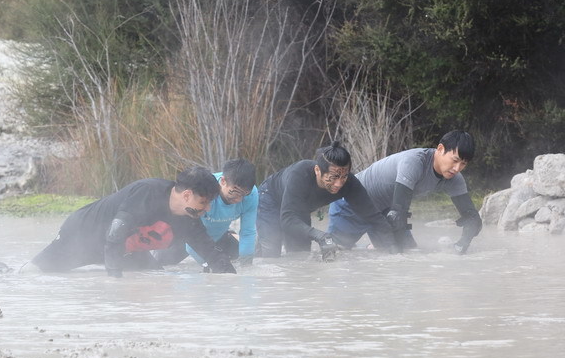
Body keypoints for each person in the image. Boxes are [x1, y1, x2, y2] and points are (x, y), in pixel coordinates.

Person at [32, 166, 236, 277]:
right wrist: (114, 280)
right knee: (39, 271)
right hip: (84, 234)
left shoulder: (189, 216)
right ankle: (1, 271)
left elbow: (209, 249)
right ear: (186, 195)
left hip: (126, 249)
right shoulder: (147, 193)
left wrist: (232, 280)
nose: (208, 208)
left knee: (154, 274)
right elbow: (114, 236)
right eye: (204, 202)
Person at [327, 130, 482, 253]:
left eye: (463, 164)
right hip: (352, 203)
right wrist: (396, 250)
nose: (457, 168)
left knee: (407, 252)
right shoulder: (414, 162)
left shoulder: (454, 178)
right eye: (455, 160)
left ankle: (371, 248)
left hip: (384, 210)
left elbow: (473, 220)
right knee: (336, 252)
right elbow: (397, 214)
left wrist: (460, 246)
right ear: (440, 149)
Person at [256, 141, 397, 260]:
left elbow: (372, 216)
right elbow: (287, 219)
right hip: (271, 199)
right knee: (271, 255)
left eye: (344, 176)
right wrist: (321, 236)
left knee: (300, 256)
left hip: (299, 209)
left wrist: (394, 250)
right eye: (333, 177)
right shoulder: (299, 175)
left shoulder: (350, 184)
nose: (339, 183)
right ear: (317, 170)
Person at [153, 159, 258, 268]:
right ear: (223, 181)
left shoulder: (251, 194)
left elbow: (248, 232)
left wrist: (246, 269)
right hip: (185, 238)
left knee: (240, 260)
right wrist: (209, 266)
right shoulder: (205, 190)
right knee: (159, 267)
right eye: (235, 193)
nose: (239, 200)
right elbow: (194, 235)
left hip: (219, 236)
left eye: (244, 195)